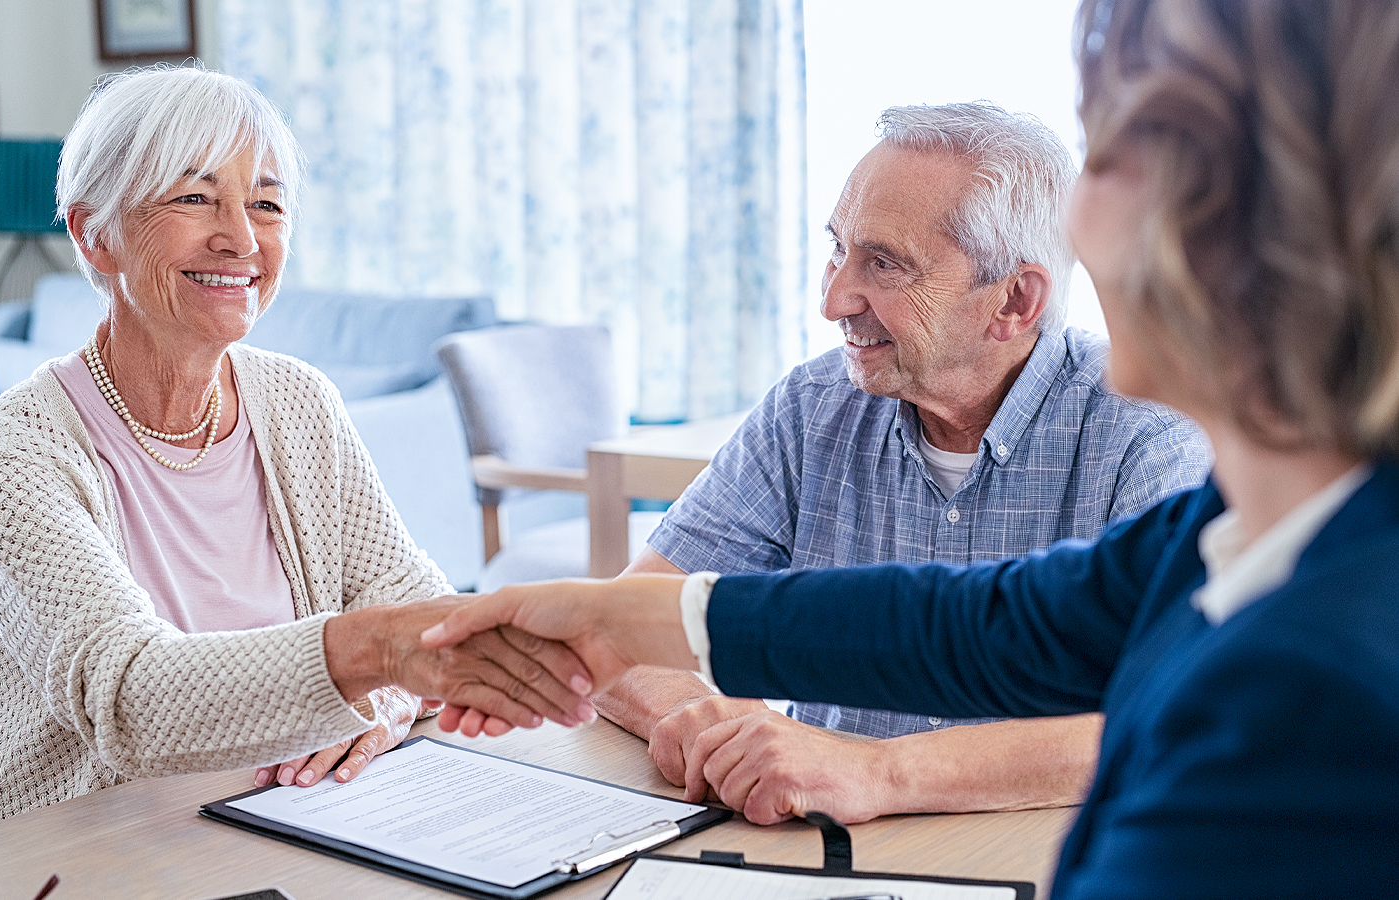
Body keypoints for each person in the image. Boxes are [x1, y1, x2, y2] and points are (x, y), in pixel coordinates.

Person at [422, 0, 1399, 894]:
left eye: (1108, 154)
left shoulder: (1312, 690)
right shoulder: (1230, 529)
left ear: (1230, 233)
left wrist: (876, 768)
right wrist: (623, 619)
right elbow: (981, 627)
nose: (1079, 224)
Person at [0, 67, 589, 843]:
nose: (241, 239)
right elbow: (129, 701)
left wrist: (382, 697)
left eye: (266, 204)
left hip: (270, 822)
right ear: (93, 234)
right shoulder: (7, 456)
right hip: (56, 850)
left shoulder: (299, 402)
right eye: (194, 197)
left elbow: (417, 613)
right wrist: (373, 656)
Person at [600, 102, 1210, 823]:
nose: (833, 301)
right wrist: (710, 720)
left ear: (1015, 300)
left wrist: (881, 773)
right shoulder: (811, 406)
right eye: (838, 250)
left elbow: (1178, 709)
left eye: (884, 264)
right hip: (815, 849)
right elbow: (627, 624)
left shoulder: (1146, 432)